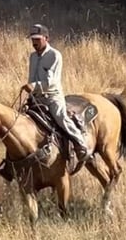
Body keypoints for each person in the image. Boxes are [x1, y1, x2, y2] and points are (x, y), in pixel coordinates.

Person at [25, 24, 91, 165]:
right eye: (32, 39)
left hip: (52, 97)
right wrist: (31, 93)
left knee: (61, 117)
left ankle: (81, 144)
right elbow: (31, 78)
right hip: (36, 97)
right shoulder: (33, 57)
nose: (34, 42)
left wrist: (34, 86)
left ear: (46, 38)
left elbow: (52, 82)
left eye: (37, 39)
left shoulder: (55, 55)